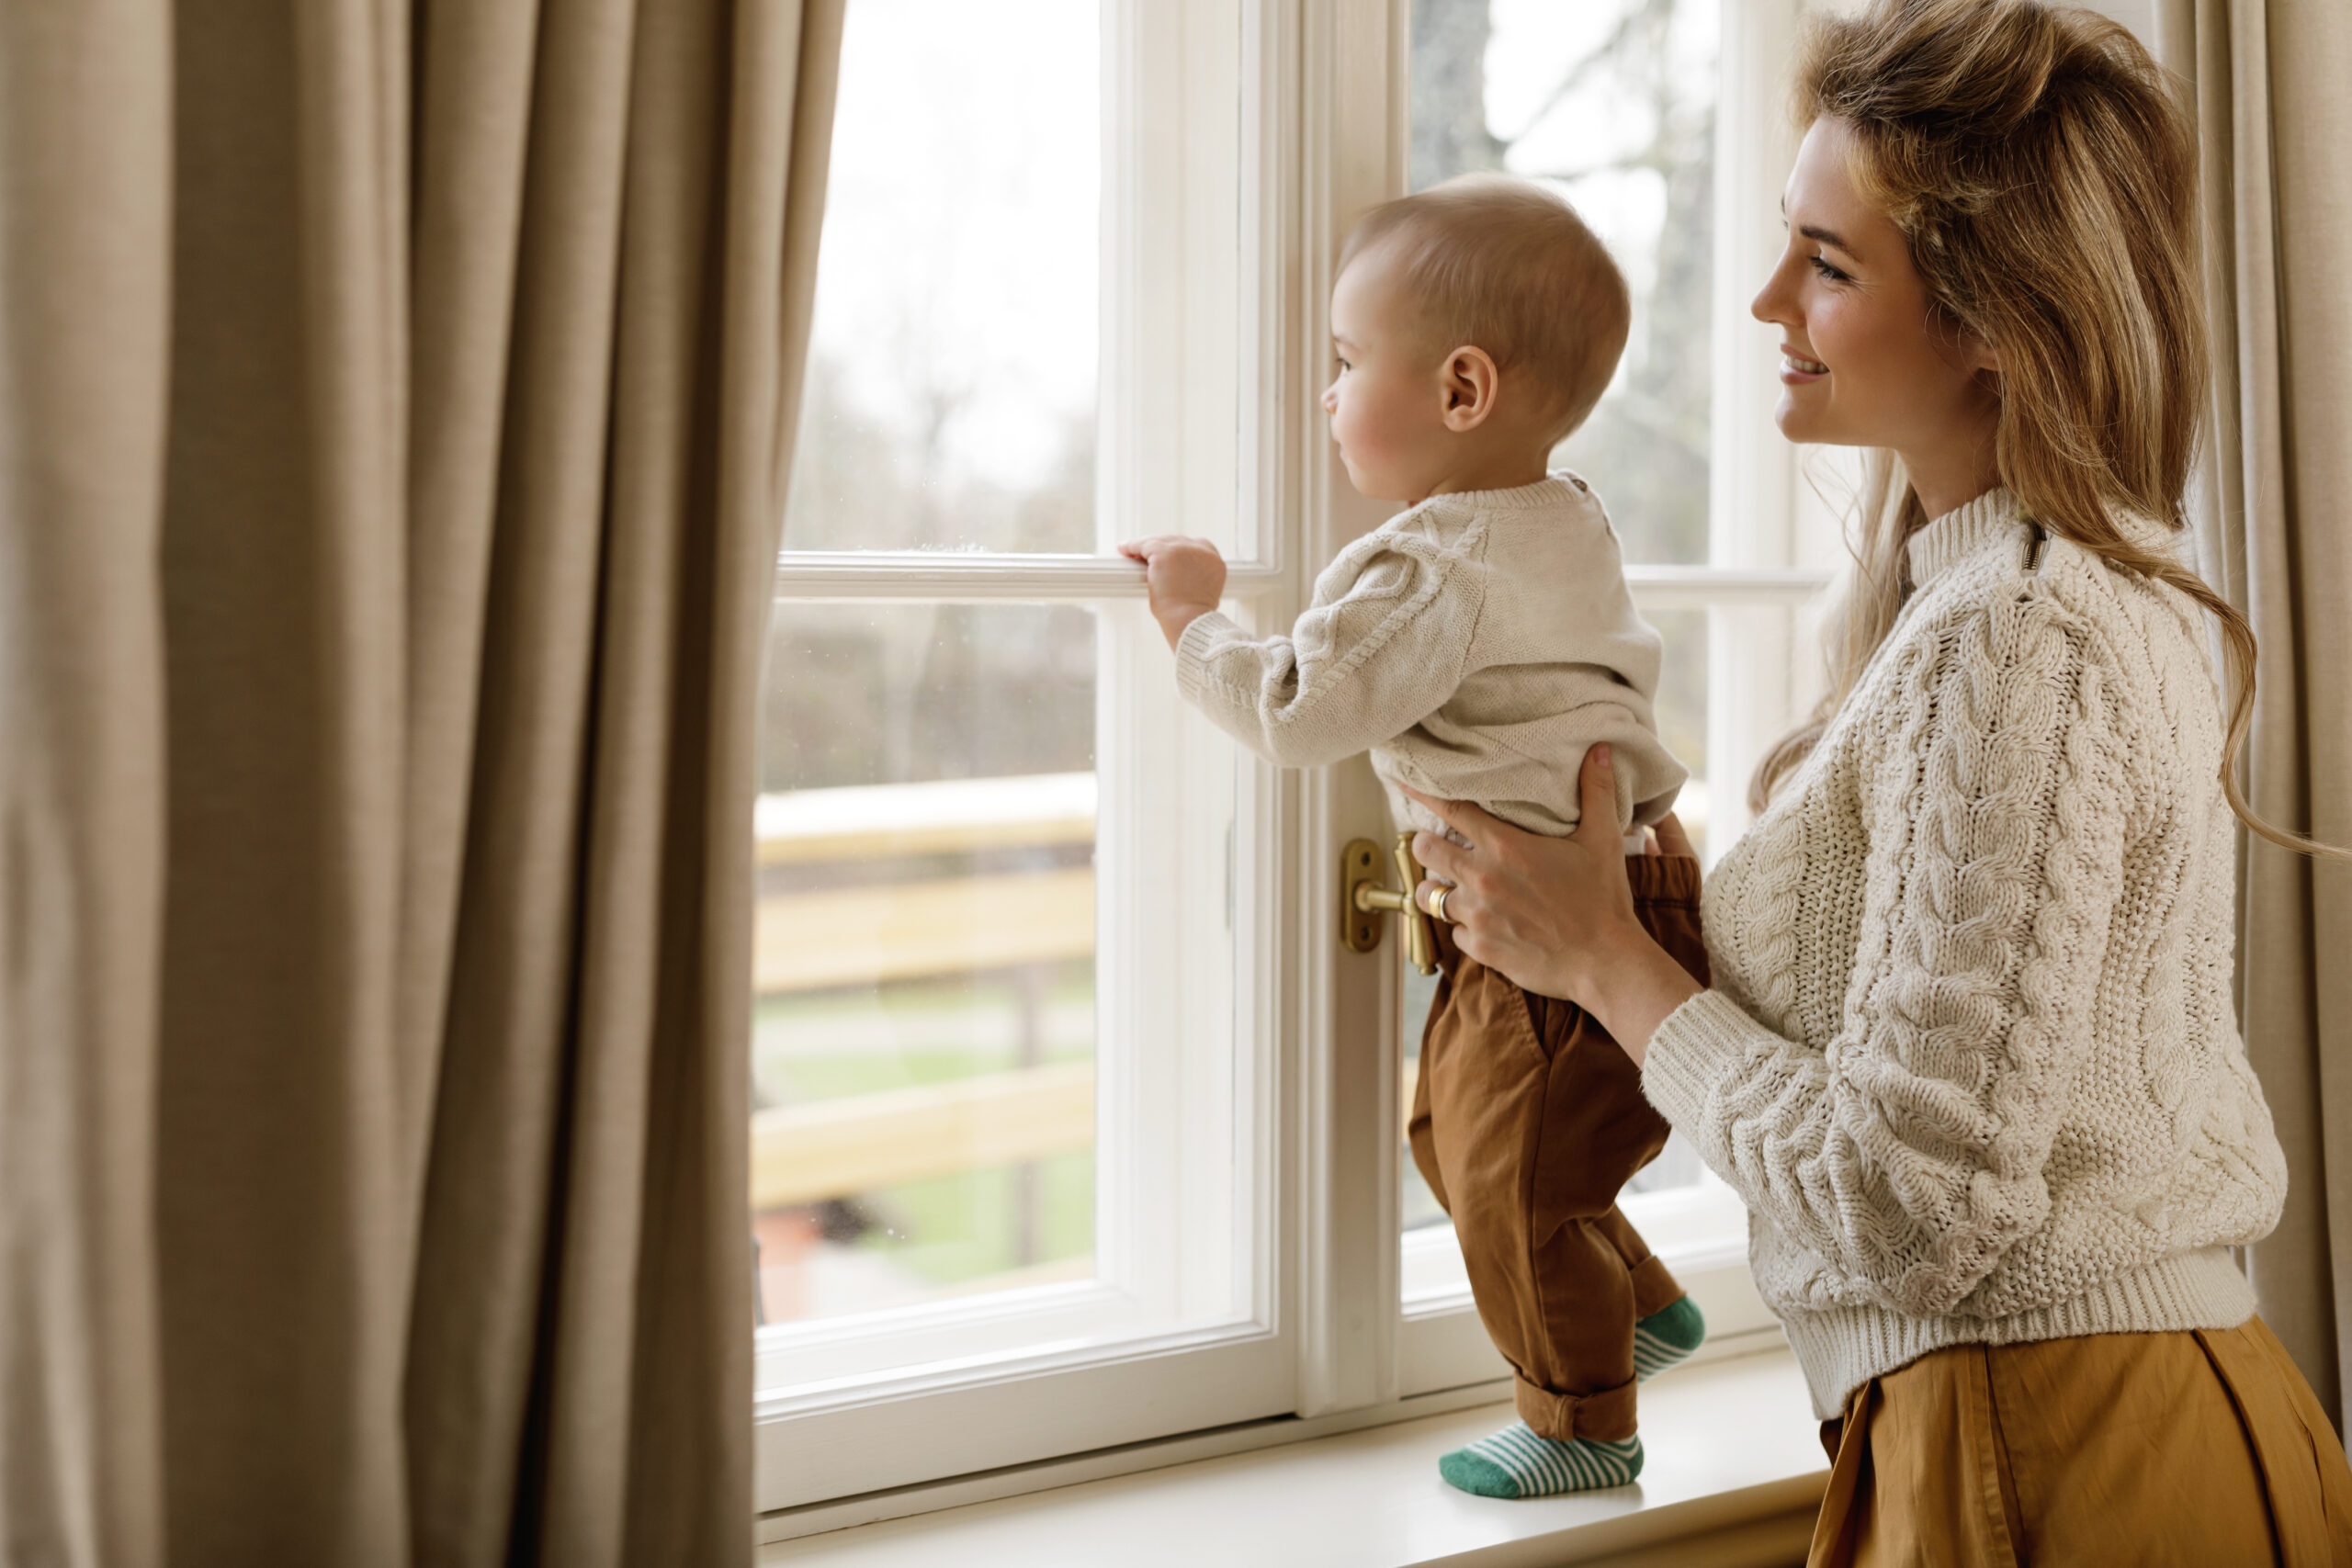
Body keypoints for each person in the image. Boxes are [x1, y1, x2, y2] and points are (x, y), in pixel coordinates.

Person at [1400, 0, 2352, 1561]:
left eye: (1830, 266)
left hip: (2067, 1451)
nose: (1769, 296)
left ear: (1995, 319)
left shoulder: (2020, 634)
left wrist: (1605, 962)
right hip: (2078, 1425)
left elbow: (1912, 1204)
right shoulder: (2018, 598)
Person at [1120, 175, 1712, 1498]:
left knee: (1505, 1177)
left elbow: (1299, 707)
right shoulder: (1566, 519)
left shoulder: (1432, 564)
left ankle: (1584, 1428)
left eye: (1342, 364)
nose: (1324, 398)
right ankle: (1644, 1300)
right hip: (1623, 885)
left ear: (1460, 392)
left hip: (1560, 927)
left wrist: (1193, 619)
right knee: (1461, 1139)